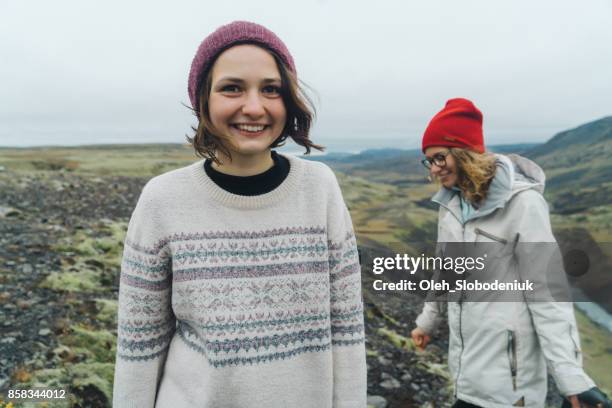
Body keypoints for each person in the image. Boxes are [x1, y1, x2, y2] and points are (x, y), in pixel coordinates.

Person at [112, 21, 366, 408]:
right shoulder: (162, 200)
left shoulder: (320, 190)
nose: (254, 106)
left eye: (271, 89)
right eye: (232, 88)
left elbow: (347, 332)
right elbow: (139, 346)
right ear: (203, 100)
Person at [411, 98, 598, 408]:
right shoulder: (452, 207)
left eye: (440, 158)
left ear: (464, 153)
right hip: (465, 374)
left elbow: (547, 293)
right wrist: (426, 322)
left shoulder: (523, 205)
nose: (433, 169)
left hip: (511, 388)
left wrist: (572, 379)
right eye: (428, 161)